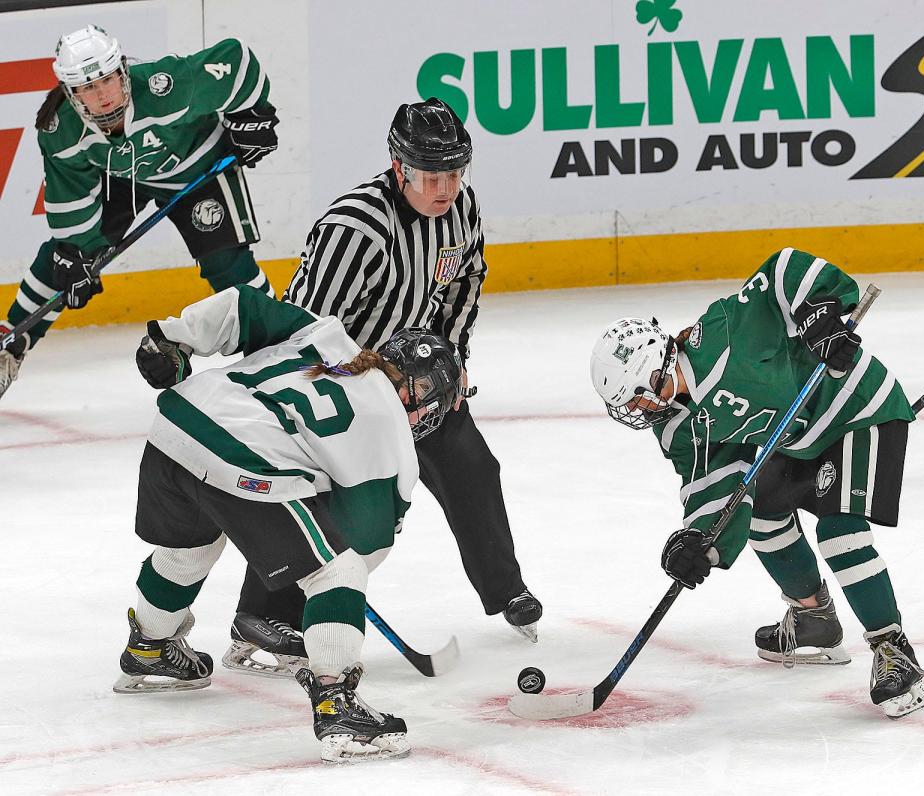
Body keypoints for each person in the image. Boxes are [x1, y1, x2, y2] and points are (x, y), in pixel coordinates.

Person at [221, 97, 541, 677]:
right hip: (344, 386)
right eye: (434, 175)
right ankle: (258, 613)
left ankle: (505, 589)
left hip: (418, 379)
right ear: (400, 168)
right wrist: (341, 394)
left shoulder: (460, 207)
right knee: (327, 499)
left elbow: (466, 279)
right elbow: (304, 329)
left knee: (470, 466)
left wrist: (453, 356)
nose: (447, 187)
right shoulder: (356, 229)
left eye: (456, 172)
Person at [115, 283, 461, 764]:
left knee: (190, 550)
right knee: (337, 571)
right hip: (241, 457)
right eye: (427, 393)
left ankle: (150, 646)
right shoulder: (393, 432)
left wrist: (175, 338)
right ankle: (337, 704)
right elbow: (364, 541)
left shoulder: (329, 339)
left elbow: (242, 305)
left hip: (176, 425)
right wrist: (325, 579)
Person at [589, 247, 924, 720]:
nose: (640, 412)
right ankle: (813, 619)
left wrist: (820, 312)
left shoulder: (723, 334)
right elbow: (713, 487)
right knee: (761, 514)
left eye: (638, 399)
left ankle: (893, 649)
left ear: (656, 372)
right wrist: (698, 543)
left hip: (857, 410)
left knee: (840, 532)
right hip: (797, 442)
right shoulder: (676, 427)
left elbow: (785, 267)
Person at [0, 24, 279, 400]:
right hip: (125, 178)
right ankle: (9, 345)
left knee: (227, 265)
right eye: (87, 88)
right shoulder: (60, 130)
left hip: (200, 169)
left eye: (107, 80)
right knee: (65, 260)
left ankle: (281, 350)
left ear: (123, 73)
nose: (102, 96)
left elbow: (239, 62)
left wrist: (251, 116)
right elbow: (72, 202)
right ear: (71, 92)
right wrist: (77, 254)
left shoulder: (166, 87)